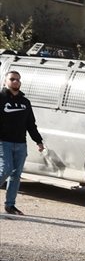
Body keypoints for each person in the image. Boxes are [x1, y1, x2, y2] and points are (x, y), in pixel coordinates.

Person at [0, 70, 45, 216]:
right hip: (3, 142)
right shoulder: (0, 98)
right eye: (12, 79)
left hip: (20, 143)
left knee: (16, 174)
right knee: (6, 169)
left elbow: (30, 124)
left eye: (18, 80)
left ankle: (10, 205)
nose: (15, 82)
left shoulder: (25, 102)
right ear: (5, 81)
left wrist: (38, 140)